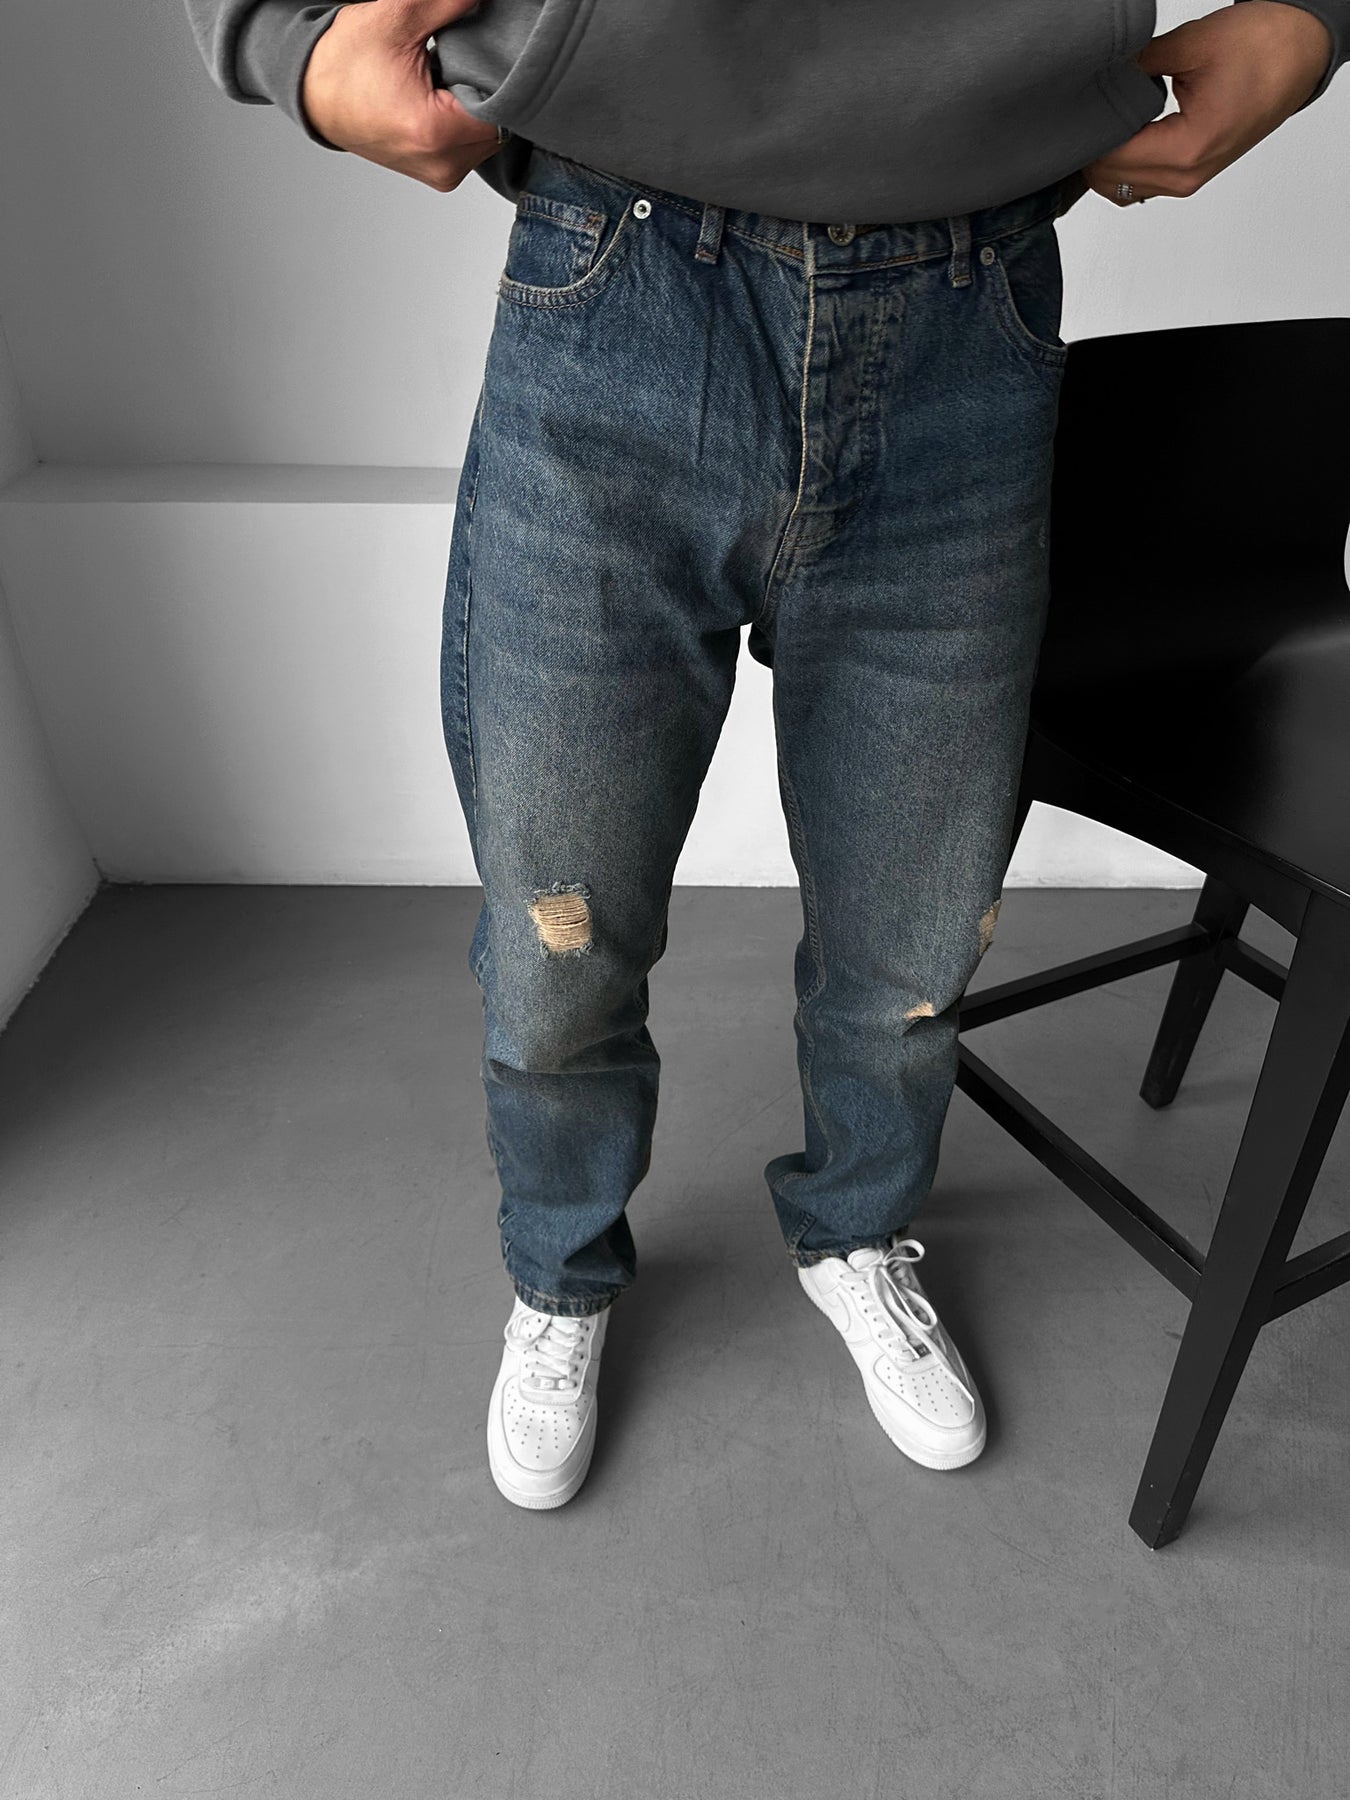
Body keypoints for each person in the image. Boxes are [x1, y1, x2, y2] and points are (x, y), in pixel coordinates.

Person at [185, 0, 1343, 1511]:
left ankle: (857, 1229)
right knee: (559, 930)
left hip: (968, 312)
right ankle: (561, 1269)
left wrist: (1313, 21)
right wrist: (282, 35)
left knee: (912, 937)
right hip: (618, 279)